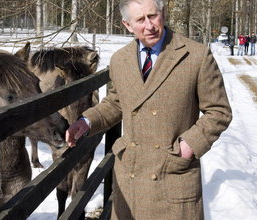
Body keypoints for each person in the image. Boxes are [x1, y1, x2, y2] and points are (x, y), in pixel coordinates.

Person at [65, 0, 233, 219]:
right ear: (127, 25)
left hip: (173, 171)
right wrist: (86, 121)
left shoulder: (196, 56)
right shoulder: (120, 59)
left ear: (162, 13)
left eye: (153, 16)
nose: (149, 26)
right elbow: (117, 102)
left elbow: (219, 112)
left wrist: (189, 145)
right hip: (130, 176)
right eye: (140, 20)